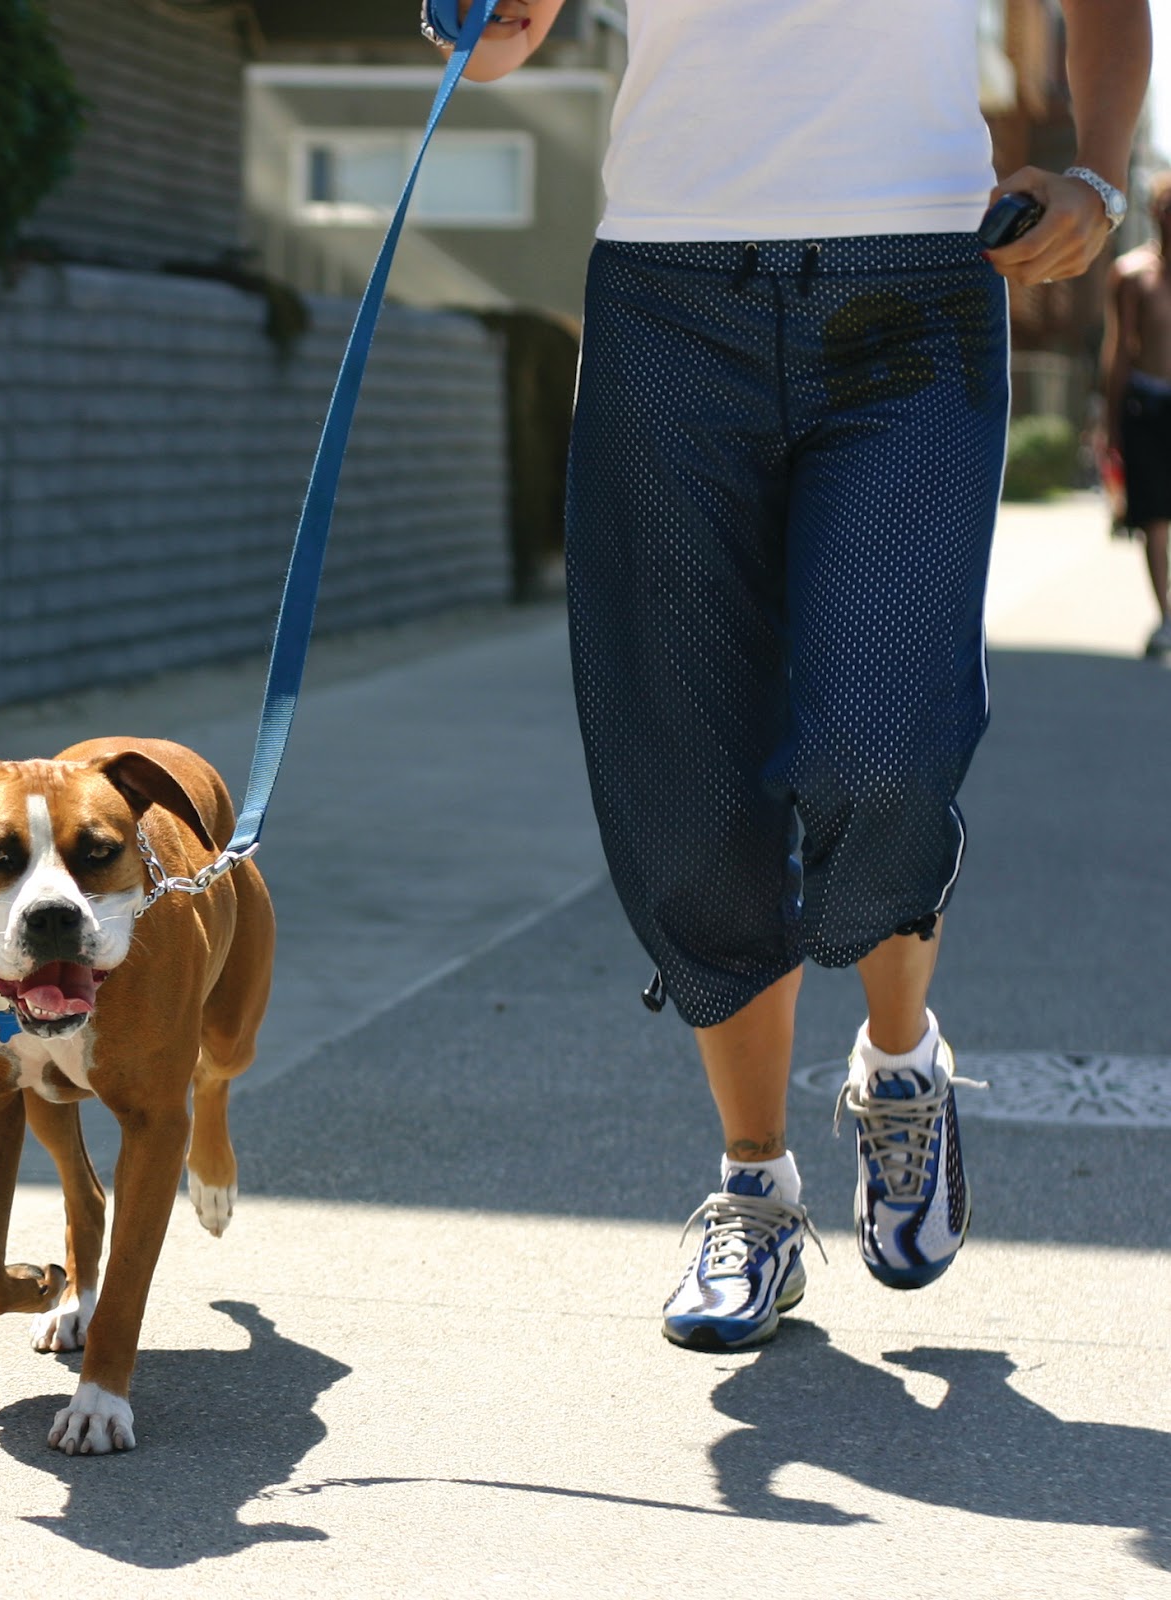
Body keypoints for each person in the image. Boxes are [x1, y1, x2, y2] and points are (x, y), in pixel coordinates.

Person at [435, 0, 1149, 1349]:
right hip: (665, 296)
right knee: (688, 785)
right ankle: (754, 1191)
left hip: (913, 286)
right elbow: (507, 34)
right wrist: (479, 22)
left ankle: (899, 1065)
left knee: (881, 743)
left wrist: (1098, 178)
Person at [1102, 168, 1171, 658]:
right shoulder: (1132, 274)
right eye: (1167, 209)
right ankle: (1166, 616)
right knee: (1156, 515)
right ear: (1154, 212)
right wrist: (1109, 426)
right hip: (1147, 405)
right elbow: (1119, 350)